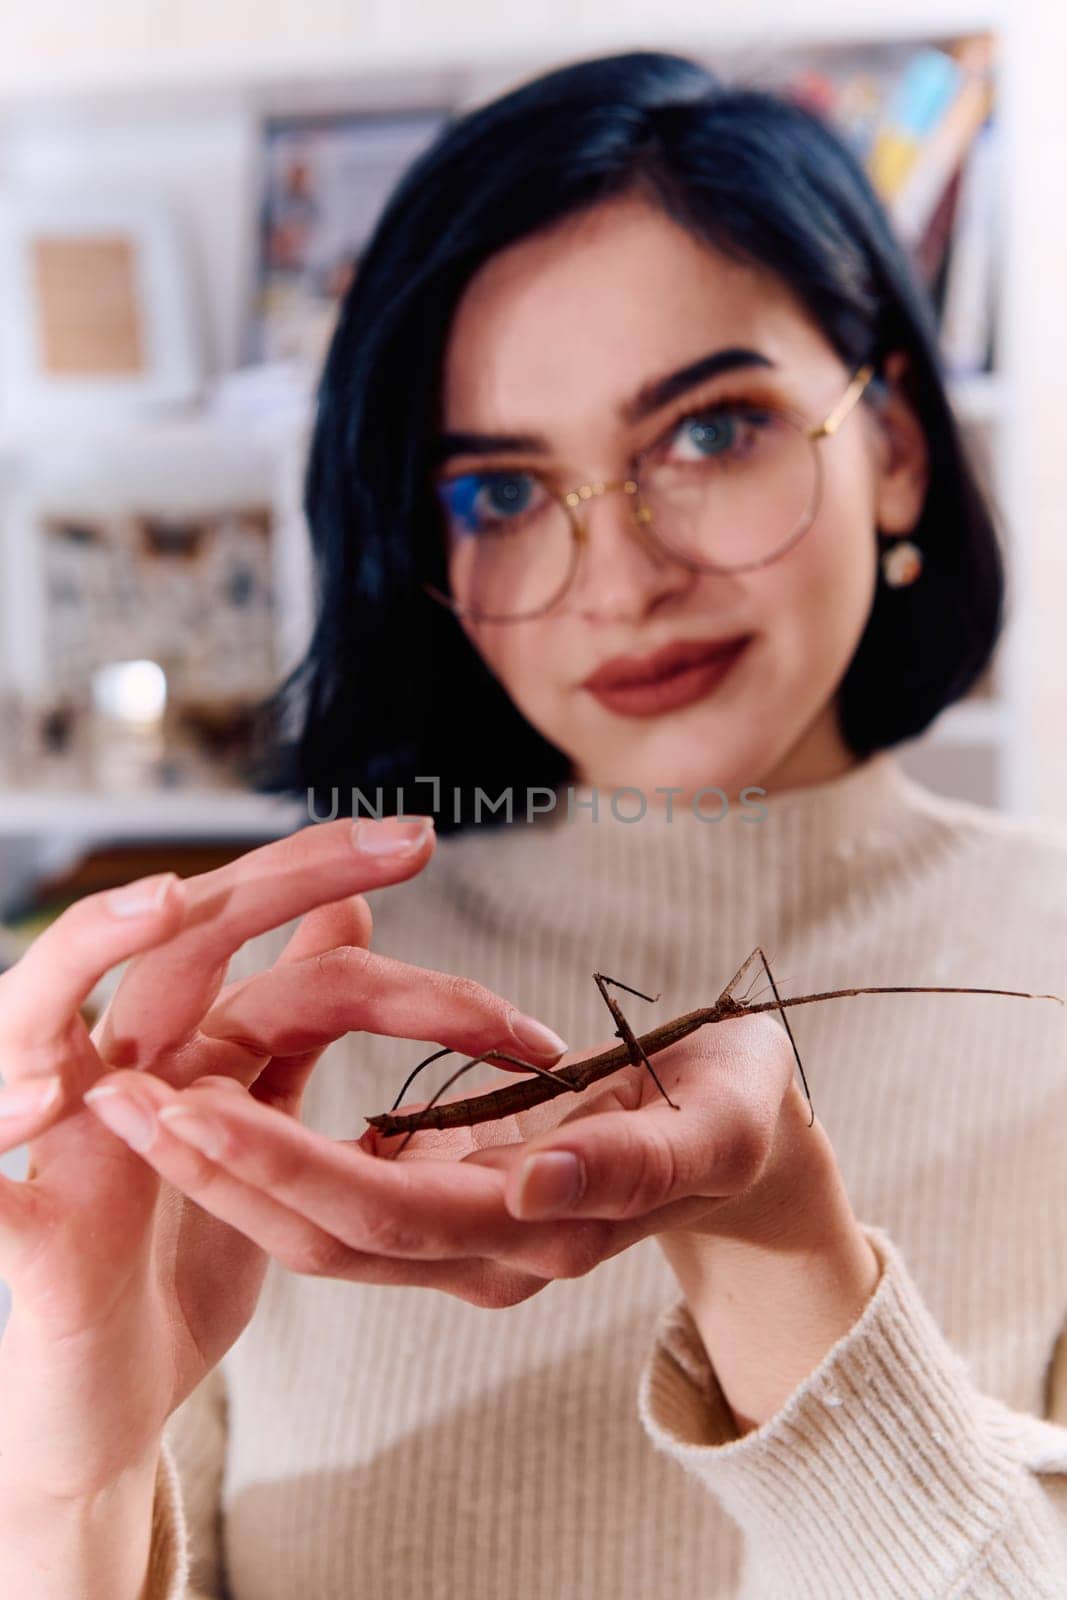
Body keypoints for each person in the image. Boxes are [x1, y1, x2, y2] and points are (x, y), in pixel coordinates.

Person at [1, 49, 1066, 1599]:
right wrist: (59, 1489)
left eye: (708, 433)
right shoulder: (273, 1023)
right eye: (502, 493)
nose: (622, 581)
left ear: (896, 447)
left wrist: (779, 1242)